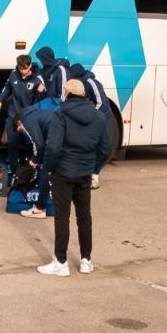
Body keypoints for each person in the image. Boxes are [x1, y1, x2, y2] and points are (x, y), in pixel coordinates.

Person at [37, 79, 112, 277]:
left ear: (67, 94)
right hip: (84, 173)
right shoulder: (97, 116)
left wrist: (49, 168)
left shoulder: (60, 114)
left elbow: (53, 147)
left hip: (63, 172)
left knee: (62, 218)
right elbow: (106, 148)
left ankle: (60, 262)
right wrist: (94, 167)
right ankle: (86, 260)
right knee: (84, 217)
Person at [0, 54, 45, 173]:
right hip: (13, 116)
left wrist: (41, 92)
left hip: (29, 119)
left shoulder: (37, 79)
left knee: (29, 146)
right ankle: (14, 171)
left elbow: (42, 101)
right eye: (20, 68)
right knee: (12, 145)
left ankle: (30, 171)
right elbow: (6, 89)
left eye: (25, 68)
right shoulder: (13, 75)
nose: (22, 71)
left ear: (30, 66)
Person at [69, 63, 112, 189]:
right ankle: (90, 176)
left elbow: (101, 103)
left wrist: (91, 116)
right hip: (91, 119)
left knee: (105, 149)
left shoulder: (91, 82)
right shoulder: (80, 83)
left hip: (100, 119)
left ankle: (94, 174)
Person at [16, 102, 56, 218]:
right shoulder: (35, 114)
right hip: (64, 134)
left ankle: (39, 209)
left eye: (19, 130)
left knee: (45, 170)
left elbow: (39, 145)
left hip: (56, 139)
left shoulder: (26, 121)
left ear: (18, 123)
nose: (22, 132)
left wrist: (34, 160)